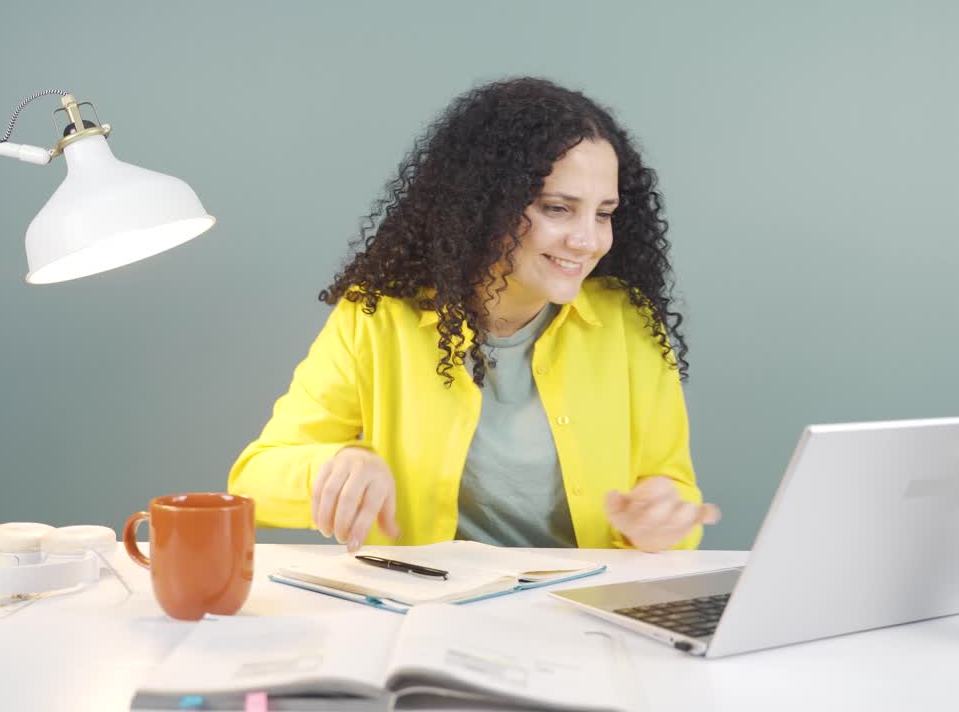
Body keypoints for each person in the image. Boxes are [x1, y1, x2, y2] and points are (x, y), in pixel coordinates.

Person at [229, 77, 719, 554]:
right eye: (557, 208)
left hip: (584, 601)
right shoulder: (378, 318)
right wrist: (336, 465)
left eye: (604, 213)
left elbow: (674, 488)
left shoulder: (629, 322)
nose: (588, 240)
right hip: (426, 600)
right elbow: (254, 480)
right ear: (486, 206)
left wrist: (660, 521)